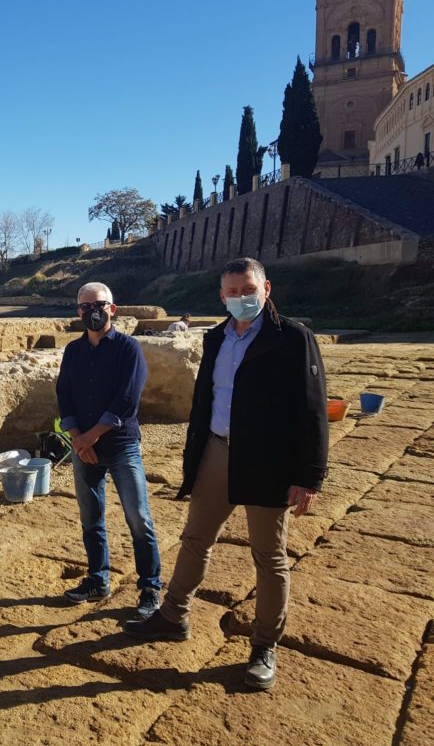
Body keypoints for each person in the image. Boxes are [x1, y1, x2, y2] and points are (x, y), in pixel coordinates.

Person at [126, 257, 328, 692]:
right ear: (222, 296)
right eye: (232, 292)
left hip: (268, 461)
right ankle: (173, 615)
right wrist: (194, 455)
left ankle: (263, 647)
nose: (241, 298)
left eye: (248, 288)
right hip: (217, 450)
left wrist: (309, 476)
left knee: (269, 557)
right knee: (196, 539)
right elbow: (207, 398)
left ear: (266, 288)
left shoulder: (293, 338)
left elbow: (312, 411)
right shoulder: (217, 337)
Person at [56, 282, 163, 619]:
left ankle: (149, 587)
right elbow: (65, 396)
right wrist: (77, 437)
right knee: (91, 519)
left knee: (138, 518)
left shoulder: (128, 349)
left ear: (112, 309)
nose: (92, 312)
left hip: (120, 446)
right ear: (78, 312)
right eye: (85, 307)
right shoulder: (73, 351)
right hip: (83, 448)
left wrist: (89, 438)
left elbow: (127, 400)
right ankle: (97, 579)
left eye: (98, 305)